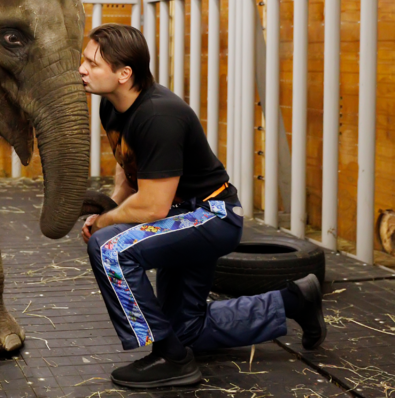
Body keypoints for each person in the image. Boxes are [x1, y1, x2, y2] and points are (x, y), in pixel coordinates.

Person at [78, 23, 326, 389]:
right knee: (185, 329)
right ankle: (292, 302)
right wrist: (111, 206)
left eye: (91, 63)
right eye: (84, 60)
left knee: (110, 249)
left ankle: (170, 358)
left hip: (210, 215)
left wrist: (104, 224)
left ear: (123, 74)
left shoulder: (159, 115)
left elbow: (151, 208)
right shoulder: (112, 108)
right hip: (181, 216)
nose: (82, 69)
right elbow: (131, 167)